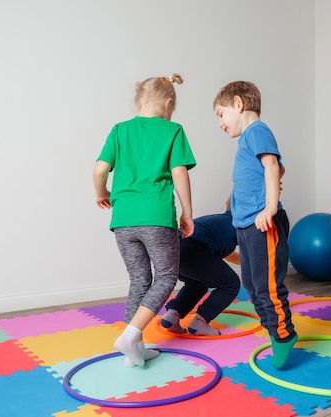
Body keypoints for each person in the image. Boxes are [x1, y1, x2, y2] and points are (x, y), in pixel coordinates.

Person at [93, 73, 196, 367]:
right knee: (165, 277)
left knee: (139, 279)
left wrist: (103, 194)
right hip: (156, 217)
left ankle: (134, 350)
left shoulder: (119, 130)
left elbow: (99, 169)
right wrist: (188, 212)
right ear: (168, 101)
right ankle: (131, 334)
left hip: (123, 219)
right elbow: (179, 172)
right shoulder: (172, 130)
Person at [212, 80, 297, 368]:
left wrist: (270, 207)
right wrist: (232, 201)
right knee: (249, 282)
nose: (220, 124)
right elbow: (268, 171)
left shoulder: (257, 131)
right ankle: (273, 328)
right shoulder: (247, 139)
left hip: (264, 223)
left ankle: (283, 335)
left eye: (221, 115)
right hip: (246, 223)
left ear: (238, 104)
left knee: (267, 285)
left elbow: (273, 166)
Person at [160, 197, 241, 336]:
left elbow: (226, 254)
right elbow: (252, 254)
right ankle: (200, 322)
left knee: (196, 284)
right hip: (192, 248)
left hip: (171, 249)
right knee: (230, 284)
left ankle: (173, 315)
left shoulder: (220, 221)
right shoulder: (240, 226)